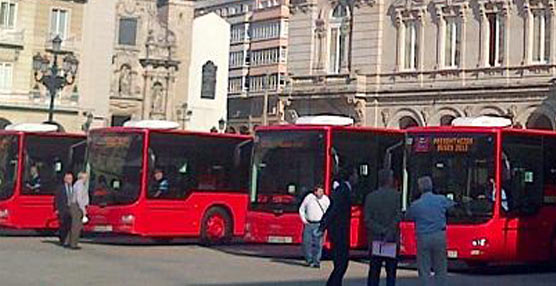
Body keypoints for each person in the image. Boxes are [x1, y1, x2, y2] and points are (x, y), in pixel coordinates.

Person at [406, 176, 455, 286]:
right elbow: (453, 206)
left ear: (419, 188)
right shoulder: (441, 199)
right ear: (431, 186)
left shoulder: (416, 204)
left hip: (423, 236)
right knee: (440, 266)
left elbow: (408, 216)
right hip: (439, 234)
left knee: (424, 267)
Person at [318, 166, 359, 286]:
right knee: (341, 263)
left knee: (341, 263)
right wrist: (324, 224)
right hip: (338, 231)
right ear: (350, 176)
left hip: (339, 231)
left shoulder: (345, 189)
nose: (357, 178)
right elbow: (334, 209)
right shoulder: (342, 190)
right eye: (355, 175)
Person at [364, 169, 401, 286]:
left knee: (374, 271)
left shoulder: (370, 197)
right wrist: (389, 231)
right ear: (389, 180)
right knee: (391, 273)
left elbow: (367, 220)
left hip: (376, 239)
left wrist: (381, 230)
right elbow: (398, 216)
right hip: (391, 239)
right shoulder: (396, 196)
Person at [298, 185, 330, 268]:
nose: (321, 193)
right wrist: (304, 220)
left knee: (318, 244)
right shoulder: (309, 198)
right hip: (309, 223)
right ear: (315, 192)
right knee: (306, 243)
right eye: (319, 191)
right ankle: (309, 260)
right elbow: (301, 209)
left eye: (322, 191)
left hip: (319, 224)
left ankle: (316, 261)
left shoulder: (326, 200)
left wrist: (325, 223)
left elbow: (329, 212)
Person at [67, 171, 90, 250]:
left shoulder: (77, 184)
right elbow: (79, 198)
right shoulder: (80, 185)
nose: (87, 178)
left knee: (74, 225)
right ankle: (73, 244)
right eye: (86, 177)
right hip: (77, 206)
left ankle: (69, 242)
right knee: (76, 226)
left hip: (76, 206)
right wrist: (83, 210)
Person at [54, 172, 73, 247]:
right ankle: (62, 240)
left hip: (71, 208)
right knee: (63, 225)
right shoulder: (60, 188)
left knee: (70, 225)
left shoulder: (73, 188)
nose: (69, 180)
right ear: (65, 179)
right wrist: (57, 209)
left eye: (70, 179)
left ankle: (68, 240)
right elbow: (57, 199)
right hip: (63, 209)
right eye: (68, 179)